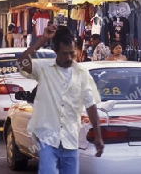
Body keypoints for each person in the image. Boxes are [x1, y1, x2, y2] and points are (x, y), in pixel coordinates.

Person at [17, 24, 104, 174]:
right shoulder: (43, 68)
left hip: (70, 137)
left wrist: (98, 135)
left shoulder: (82, 73)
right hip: (47, 137)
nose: (69, 58)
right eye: (64, 54)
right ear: (55, 51)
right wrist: (43, 39)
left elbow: (91, 105)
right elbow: (22, 63)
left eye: (72, 53)